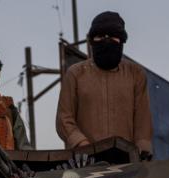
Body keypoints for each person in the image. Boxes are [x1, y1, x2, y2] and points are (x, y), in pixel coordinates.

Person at [55, 12, 153, 157]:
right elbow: (64, 119)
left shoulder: (136, 75)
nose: (106, 41)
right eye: (100, 37)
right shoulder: (75, 74)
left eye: (112, 37)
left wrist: (142, 152)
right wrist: (84, 146)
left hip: (127, 164)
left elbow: (142, 122)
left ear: (121, 41)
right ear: (92, 41)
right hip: (84, 164)